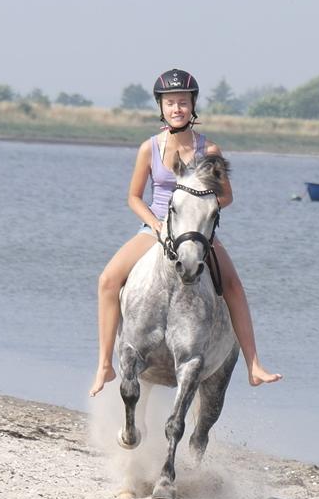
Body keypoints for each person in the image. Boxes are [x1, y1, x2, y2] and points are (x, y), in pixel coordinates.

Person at [89, 68, 282, 397]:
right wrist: (155, 223)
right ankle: (105, 364)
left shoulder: (209, 151)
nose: (176, 108)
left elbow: (226, 196)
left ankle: (253, 364)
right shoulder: (149, 149)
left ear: (193, 106)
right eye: (170, 103)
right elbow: (134, 197)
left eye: (182, 102)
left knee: (233, 285)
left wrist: (201, 210)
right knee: (108, 280)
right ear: (160, 107)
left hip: (198, 233)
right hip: (157, 230)